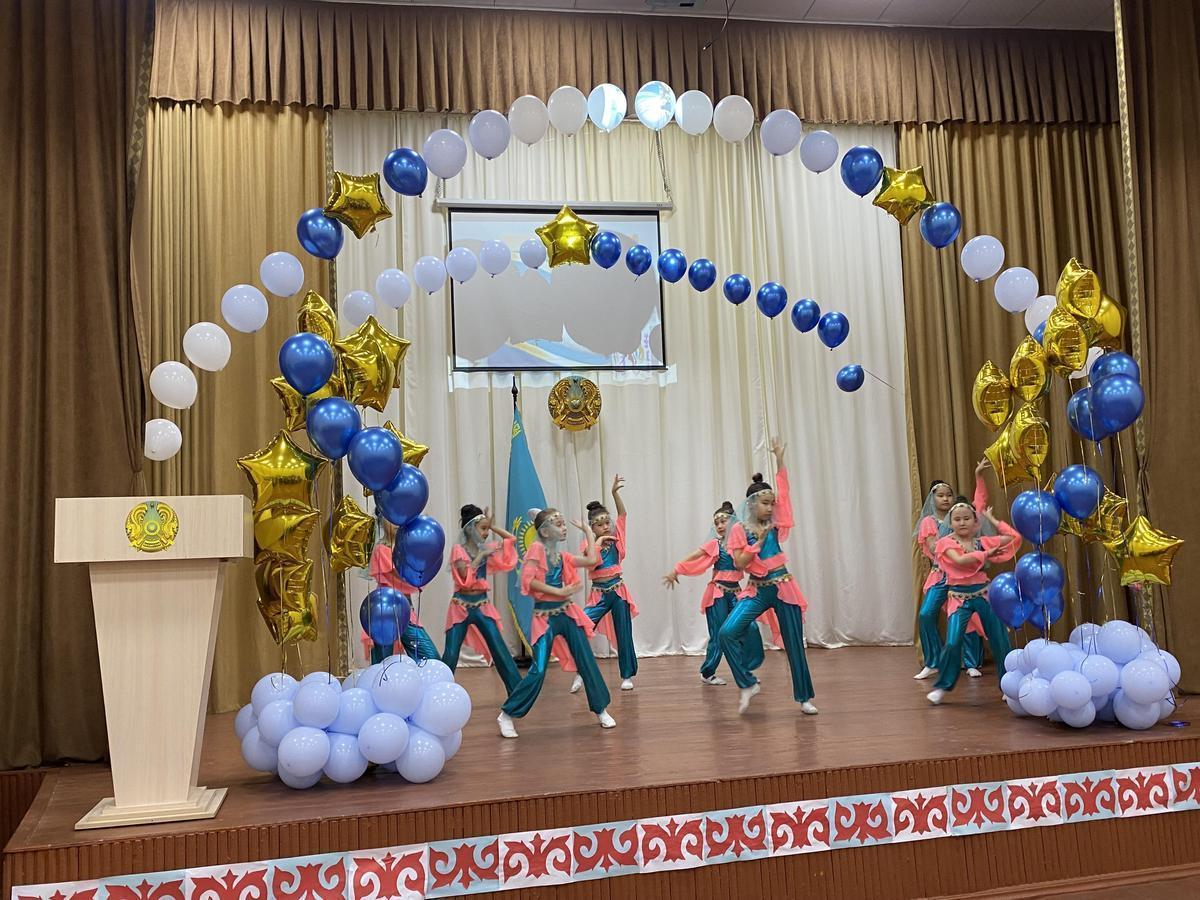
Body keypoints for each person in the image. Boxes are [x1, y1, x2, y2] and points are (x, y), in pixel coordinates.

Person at [719, 439, 818, 715]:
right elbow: (740, 563)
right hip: (757, 590)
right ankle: (748, 683)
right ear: (752, 504)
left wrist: (780, 460)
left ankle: (804, 697)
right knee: (727, 632)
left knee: (794, 644)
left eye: (772, 503)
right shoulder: (739, 529)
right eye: (765, 503)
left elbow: (785, 493)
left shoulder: (775, 523)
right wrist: (757, 543)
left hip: (783, 586)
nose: (770, 507)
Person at [497, 507, 616, 738]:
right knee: (539, 668)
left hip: (566, 613)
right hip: (545, 618)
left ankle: (601, 709)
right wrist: (558, 591)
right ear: (545, 531)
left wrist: (588, 531)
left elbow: (592, 560)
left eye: (563, 524)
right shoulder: (536, 549)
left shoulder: (560, 556)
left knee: (586, 660)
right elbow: (528, 580)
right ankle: (507, 714)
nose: (564, 528)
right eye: (558, 524)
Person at [926, 500, 1021, 705]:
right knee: (953, 642)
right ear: (950, 522)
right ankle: (943, 686)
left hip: (983, 594)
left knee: (999, 638)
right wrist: (986, 554)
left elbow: (1014, 538)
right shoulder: (945, 543)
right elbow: (960, 561)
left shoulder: (981, 542)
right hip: (958, 599)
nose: (962, 523)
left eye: (967, 518)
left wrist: (992, 519)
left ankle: (1006, 684)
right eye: (957, 519)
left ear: (975, 522)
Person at [664, 501, 765, 685]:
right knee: (718, 633)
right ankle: (707, 672)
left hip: (736, 593)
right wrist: (676, 570)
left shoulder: (740, 544)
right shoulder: (715, 544)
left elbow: (755, 555)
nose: (719, 525)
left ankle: (745, 672)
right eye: (716, 523)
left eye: (723, 521)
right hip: (718, 593)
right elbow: (694, 555)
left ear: (734, 523)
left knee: (748, 627)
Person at [913, 459, 991, 681]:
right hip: (940, 575)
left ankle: (971, 662)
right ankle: (933, 661)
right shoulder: (930, 522)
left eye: (949, 495)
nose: (946, 498)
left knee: (967, 616)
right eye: (941, 495)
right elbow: (933, 548)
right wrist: (956, 541)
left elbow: (979, 506)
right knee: (926, 614)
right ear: (933, 498)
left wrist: (978, 476)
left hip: (963, 576)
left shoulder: (963, 517)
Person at [442, 504, 522, 693]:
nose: (486, 533)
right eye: (483, 529)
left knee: (500, 649)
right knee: (451, 653)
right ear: (470, 529)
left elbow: (510, 539)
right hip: (460, 607)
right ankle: (439, 688)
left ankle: (517, 692)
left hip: (482, 606)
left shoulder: (486, 547)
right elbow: (464, 580)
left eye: (487, 529)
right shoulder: (458, 550)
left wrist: (492, 526)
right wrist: (481, 556)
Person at [575, 475, 639, 692]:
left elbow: (622, 515)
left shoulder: (616, 538)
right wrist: (598, 542)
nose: (605, 527)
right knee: (581, 627)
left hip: (618, 591)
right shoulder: (588, 545)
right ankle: (580, 671)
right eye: (600, 525)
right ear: (592, 528)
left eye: (606, 523)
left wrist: (614, 494)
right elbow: (591, 560)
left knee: (624, 632)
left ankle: (627, 675)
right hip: (599, 594)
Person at [368, 514, 440, 664]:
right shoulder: (381, 550)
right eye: (391, 519)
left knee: (430, 657)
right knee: (383, 662)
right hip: (385, 610)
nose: (396, 523)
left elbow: (415, 576)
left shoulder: (408, 551)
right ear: (382, 522)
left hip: (405, 608)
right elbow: (401, 575)